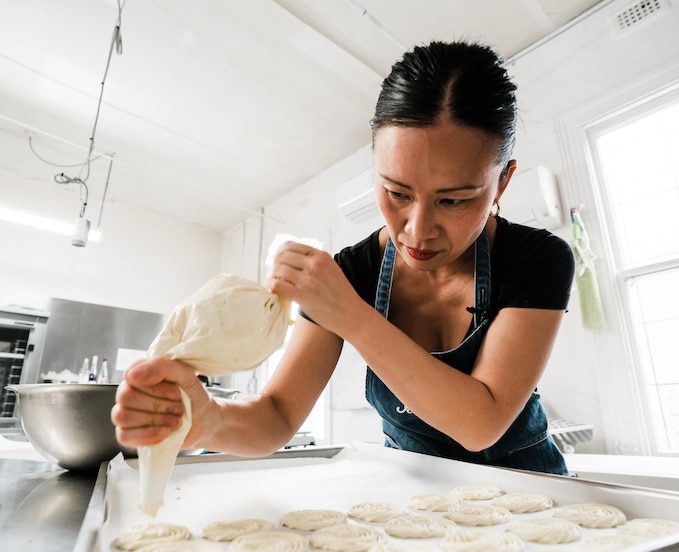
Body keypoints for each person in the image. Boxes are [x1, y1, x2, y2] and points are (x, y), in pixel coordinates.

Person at [112, 40, 575, 475]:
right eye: (396, 192)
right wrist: (208, 420)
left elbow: (481, 423)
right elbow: (276, 416)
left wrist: (350, 315)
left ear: (503, 182)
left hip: (530, 485)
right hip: (417, 496)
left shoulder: (538, 259)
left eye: (453, 201)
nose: (417, 230)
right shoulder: (353, 272)